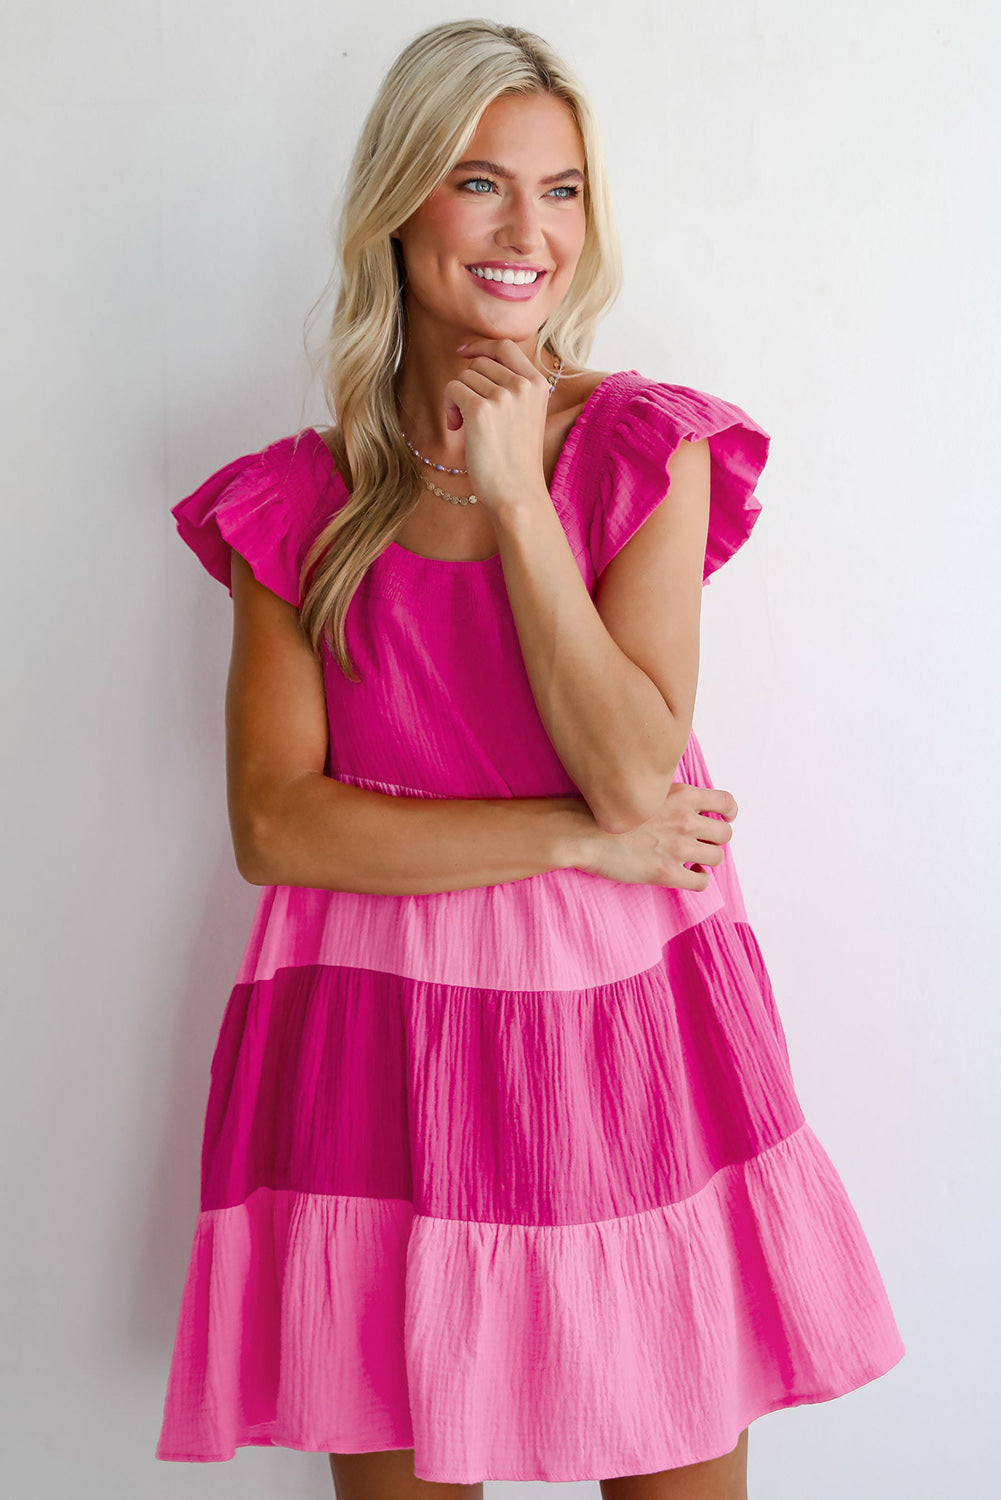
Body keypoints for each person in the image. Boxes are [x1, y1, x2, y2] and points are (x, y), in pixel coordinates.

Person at [154, 19, 905, 1500]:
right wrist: (570, 842)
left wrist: (514, 497)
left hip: (622, 1028)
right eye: (481, 184)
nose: (527, 233)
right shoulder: (294, 502)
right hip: (377, 1033)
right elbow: (277, 828)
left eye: (561, 191)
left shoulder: (639, 447)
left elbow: (636, 774)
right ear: (398, 205)